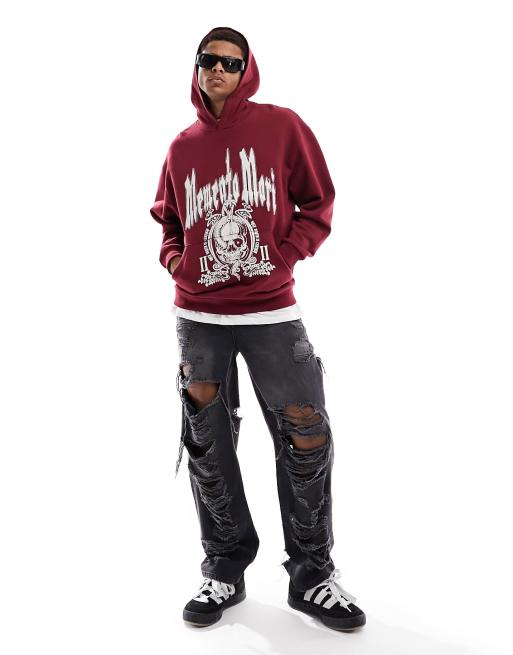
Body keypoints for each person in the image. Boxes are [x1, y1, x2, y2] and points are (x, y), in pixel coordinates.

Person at [150, 26, 366, 632]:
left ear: (247, 69)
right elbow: (168, 221)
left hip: (271, 310)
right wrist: (176, 260)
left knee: (305, 431)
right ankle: (224, 564)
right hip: (199, 317)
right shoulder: (182, 147)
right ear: (196, 68)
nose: (217, 69)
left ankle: (312, 575)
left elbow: (317, 203)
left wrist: (286, 256)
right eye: (208, 60)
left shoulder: (281, 126)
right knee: (207, 439)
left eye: (230, 61)